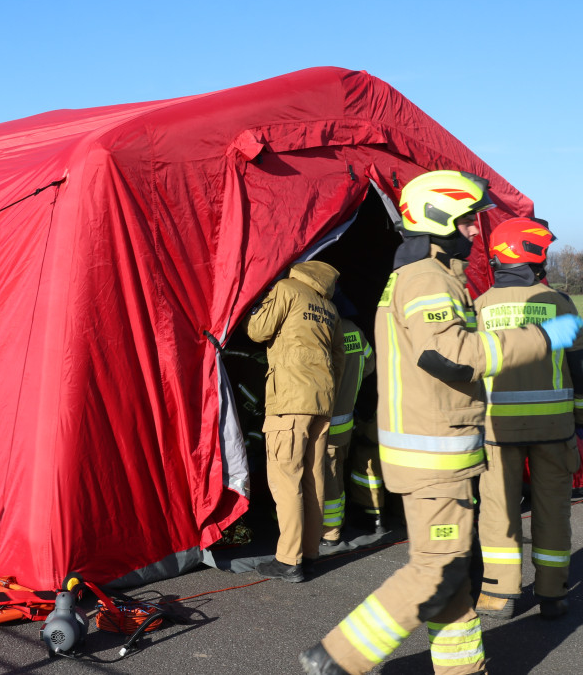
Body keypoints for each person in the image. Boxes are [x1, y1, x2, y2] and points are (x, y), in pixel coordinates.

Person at [299, 170, 583, 675]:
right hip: (433, 456)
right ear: (440, 216)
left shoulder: (424, 276)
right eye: (470, 219)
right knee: (438, 570)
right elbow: (448, 357)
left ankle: (461, 667)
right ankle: (335, 658)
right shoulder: (428, 278)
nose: (477, 231)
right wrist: (544, 337)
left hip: (442, 452)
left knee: (456, 574)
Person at [473, 217, 583, 620]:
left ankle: (499, 594)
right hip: (554, 427)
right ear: (534, 254)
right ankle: (553, 592)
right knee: (553, 507)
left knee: (498, 509)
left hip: (496, 428)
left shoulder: (479, 306)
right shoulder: (559, 303)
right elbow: (580, 367)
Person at [242, 260, 346, 583]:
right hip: (322, 401)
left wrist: (253, 308)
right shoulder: (330, 308)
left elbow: (257, 330)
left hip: (289, 399)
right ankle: (309, 554)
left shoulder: (287, 290)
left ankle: (288, 559)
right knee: (313, 480)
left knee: (286, 478)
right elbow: (339, 357)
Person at [321, 309, 375, 551]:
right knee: (337, 471)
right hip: (346, 420)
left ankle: (331, 532)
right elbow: (369, 365)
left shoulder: (325, 327)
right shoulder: (353, 328)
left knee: (329, 477)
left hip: (325, 420)